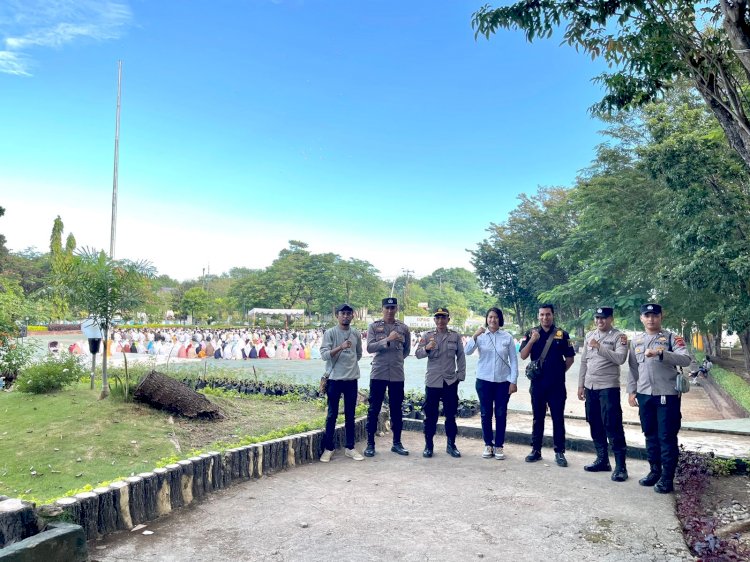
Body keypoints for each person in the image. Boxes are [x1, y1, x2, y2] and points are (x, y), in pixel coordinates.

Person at [627, 303, 691, 493]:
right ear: (641, 318)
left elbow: (686, 359)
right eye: (647, 315)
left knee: (666, 437)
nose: (651, 319)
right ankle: (654, 471)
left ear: (661, 316)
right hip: (645, 394)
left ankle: (667, 478)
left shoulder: (672, 338)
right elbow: (632, 368)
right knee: (650, 434)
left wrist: (661, 353)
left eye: (654, 315)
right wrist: (632, 391)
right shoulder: (636, 341)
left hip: (667, 395)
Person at [519, 303, 575, 467]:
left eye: (548, 314)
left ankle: (559, 452)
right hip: (537, 384)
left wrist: (558, 372)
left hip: (557, 386)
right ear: (538, 316)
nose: (545, 317)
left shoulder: (562, 334)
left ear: (553, 315)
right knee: (538, 418)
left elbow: (570, 358)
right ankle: (536, 450)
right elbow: (523, 355)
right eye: (542, 315)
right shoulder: (531, 333)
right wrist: (532, 341)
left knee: (558, 419)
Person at [577, 307, 629, 481]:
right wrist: (580, 385)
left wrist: (599, 348)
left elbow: (620, 359)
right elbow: (584, 362)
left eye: (604, 318)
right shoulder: (589, 335)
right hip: (590, 387)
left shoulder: (618, 337)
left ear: (611, 319)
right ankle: (602, 460)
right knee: (594, 422)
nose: (600, 321)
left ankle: (621, 467)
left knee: (612, 425)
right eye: (598, 318)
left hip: (608, 387)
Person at [464, 307, 519, 460]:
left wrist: (513, 381)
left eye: (495, 317)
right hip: (484, 381)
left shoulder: (507, 337)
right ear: (486, 319)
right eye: (490, 317)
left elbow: (514, 361)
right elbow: (467, 351)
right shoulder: (481, 336)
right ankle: (488, 444)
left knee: (501, 414)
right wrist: (475, 335)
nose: (492, 320)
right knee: (485, 414)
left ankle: (499, 445)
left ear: (499, 319)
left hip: (503, 382)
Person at [415, 307, 466, 458]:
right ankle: (428, 445)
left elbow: (461, 356)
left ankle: (451, 445)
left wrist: (460, 375)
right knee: (430, 415)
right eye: (438, 318)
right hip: (433, 381)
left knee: (451, 415)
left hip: (450, 381)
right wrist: (427, 348)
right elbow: (417, 354)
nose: (440, 321)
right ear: (434, 320)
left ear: (448, 320)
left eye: (443, 317)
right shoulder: (428, 335)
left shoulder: (455, 336)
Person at [364, 297, 411, 457]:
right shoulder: (374, 326)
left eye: (393, 308)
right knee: (374, 408)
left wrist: (396, 360)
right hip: (379, 372)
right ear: (382, 309)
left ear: (396, 309)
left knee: (397, 409)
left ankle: (397, 443)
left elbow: (406, 350)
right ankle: (370, 444)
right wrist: (387, 340)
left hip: (397, 374)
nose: (390, 311)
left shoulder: (403, 328)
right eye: (387, 308)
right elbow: (370, 348)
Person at [319, 303, 364, 462]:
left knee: (350, 415)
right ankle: (328, 448)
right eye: (342, 313)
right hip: (334, 379)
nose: (345, 316)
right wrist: (340, 347)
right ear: (337, 315)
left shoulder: (356, 334)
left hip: (351, 379)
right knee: (332, 414)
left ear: (352, 316)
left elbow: (358, 354)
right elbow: (324, 355)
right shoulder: (330, 333)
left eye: (348, 313)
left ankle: (350, 447)